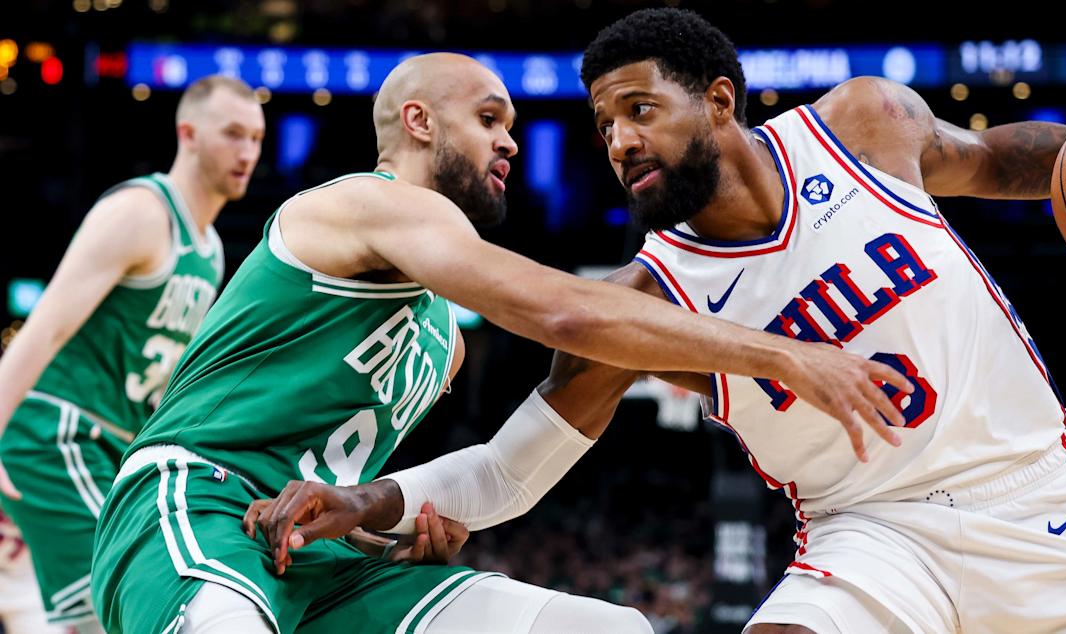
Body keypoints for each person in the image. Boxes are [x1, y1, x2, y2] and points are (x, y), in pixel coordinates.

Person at [257, 9, 1066, 633]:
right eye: (602, 125)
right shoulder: (647, 299)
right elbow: (510, 468)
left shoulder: (862, 124)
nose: (618, 140)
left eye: (639, 109)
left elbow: (999, 159)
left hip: (1036, 508)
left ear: (720, 101)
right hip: (873, 537)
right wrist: (375, 499)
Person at [89, 52, 912, 634]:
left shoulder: (443, 339)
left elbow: (350, 475)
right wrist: (781, 352)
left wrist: (386, 528)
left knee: (611, 628)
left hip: (313, 555)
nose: (511, 141)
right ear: (418, 122)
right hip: (196, 505)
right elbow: (566, 314)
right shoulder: (360, 204)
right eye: (488, 120)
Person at [0, 75, 264, 632]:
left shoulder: (210, 250)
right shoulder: (141, 212)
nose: (247, 152)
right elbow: (45, 326)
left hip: (110, 447)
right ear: (188, 134)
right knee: (129, 606)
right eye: (233, 134)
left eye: (257, 138)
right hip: (56, 432)